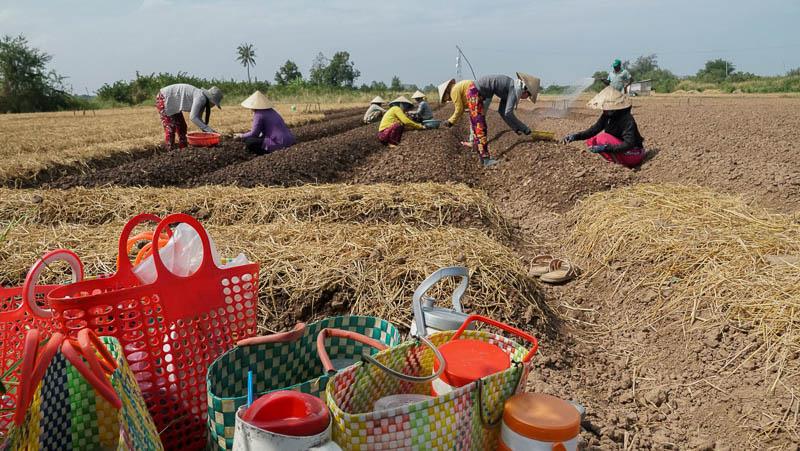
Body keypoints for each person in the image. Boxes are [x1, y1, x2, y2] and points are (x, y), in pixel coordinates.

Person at [561, 86, 645, 168]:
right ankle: (614, 162)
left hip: (634, 153)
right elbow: (593, 130)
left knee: (603, 138)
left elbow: (629, 144)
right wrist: (575, 136)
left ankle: (619, 164)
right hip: (621, 150)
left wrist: (606, 148)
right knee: (591, 141)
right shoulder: (607, 116)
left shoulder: (627, 119)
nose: (605, 109)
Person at [471, 73, 541, 142]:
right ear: (526, 91)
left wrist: (515, 128)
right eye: (528, 96)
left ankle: (475, 141)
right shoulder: (514, 89)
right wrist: (524, 128)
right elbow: (508, 113)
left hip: (484, 90)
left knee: (479, 119)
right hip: (479, 89)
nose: (526, 98)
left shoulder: (511, 88)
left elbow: (502, 111)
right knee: (479, 119)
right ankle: (474, 141)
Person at [156, 83, 222, 150]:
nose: (214, 105)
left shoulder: (202, 97)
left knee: (182, 126)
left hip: (173, 103)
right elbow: (193, 117)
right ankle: (170, 150)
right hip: (164, 98)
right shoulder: (201, 98)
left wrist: (207, 131)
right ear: (211, 100)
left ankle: (183, 149)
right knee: (170, 127)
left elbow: (199, 118)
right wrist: (209, 130)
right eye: (214, 104)